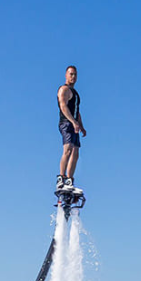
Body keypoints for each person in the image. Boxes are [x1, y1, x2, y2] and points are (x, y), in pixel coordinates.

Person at [57, 65, 85, 194]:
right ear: (66, 75)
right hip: (66, 123)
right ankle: (61, 178)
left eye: (75, 75)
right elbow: (64, 107)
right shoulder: (64, 89)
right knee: (67, 150)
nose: (73, 77)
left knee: (76, 153)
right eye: (71, 74)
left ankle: (69, 180)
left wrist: (81, 126)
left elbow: (76, 111)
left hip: (74, 125)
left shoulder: (76, 94)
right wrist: (73, 122)